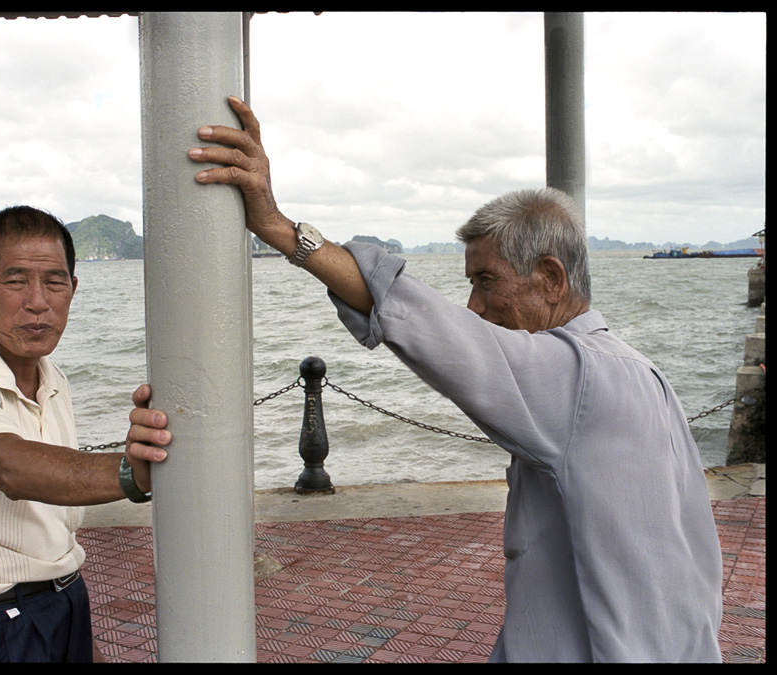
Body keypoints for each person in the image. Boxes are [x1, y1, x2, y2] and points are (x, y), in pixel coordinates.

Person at [181, 96, 723, 662]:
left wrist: (277, 225)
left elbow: (433, 327)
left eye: (486, 280)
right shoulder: (641, 374)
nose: (475, 306)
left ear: (551, 279)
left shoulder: (579, 379)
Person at [0, 206, 169, 663]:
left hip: (62, 601)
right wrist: (132, 472)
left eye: (55, 282)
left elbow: (51, 531)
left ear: (73, 291)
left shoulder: (52, 377)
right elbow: (9, 465)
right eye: (16, 281)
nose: (38, 301)